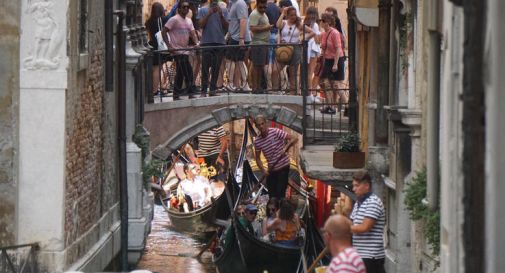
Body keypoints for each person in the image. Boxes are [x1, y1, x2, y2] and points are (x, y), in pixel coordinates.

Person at [162, 0, 200, 100]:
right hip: (177, 50)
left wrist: (196, 43)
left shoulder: (189, 21)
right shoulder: (174, 19)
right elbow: (164, 31)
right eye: (184, 7)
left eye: (187, 7)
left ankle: (178, 93)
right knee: (186, 71)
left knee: (181, 72)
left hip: (185, 50)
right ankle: (188, 92)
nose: (186, 9)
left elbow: (192, 33)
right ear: (179, 9)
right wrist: (169, 45)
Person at [253, 115, 298, 199]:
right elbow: (258, 159)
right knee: (272, 195)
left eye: (262, 123)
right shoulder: (257, 141)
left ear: (266, 123)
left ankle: (281, 209)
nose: (261, 126)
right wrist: (263, 170)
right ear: (256, 126)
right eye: (258, 125)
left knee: (280, 194)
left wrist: (285, 148)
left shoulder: (276, 132)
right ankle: (274, 210)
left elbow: (294, 138)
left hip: (283, 167)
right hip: (271, 169)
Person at [349, 171, 386, 273]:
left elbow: (365, 227)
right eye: (353, 186)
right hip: (360, 255)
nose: (353, 189)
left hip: (371, 256)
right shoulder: (358, 203)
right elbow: (351, 225)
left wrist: (343, 228)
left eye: (357, 185)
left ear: (366, 186)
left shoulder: (373, 202)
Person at [275, 6, 314, 94]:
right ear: (288, 15)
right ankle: (274, 90)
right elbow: (277, 25)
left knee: (293, 72)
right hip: (284, 49)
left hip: (295, 49)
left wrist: (304, 38)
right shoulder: (284, 23)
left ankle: (293, 92)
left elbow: (312, 32)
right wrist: (282, 13)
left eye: (295, 15)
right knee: (275, 70)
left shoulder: (299, 25)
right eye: (291, 15)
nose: (293, 17)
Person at [198, 0, 229, 97]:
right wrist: (209, 14)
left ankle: (212, 90)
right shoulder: (202, 10)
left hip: (219, 42)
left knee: (216, 68)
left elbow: (227, 26)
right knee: (205, 68)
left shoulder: (224, 10)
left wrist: (221, 15)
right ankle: (203, 91)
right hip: (207, 42)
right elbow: (200, 25)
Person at [318, 13, 344, 114]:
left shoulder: (335, 33)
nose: (320, 22)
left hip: (337, 59)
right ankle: (330, 106)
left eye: (322, 21)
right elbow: (323, 47)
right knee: (324, 83)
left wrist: (335, 64)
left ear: (327, 22)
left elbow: (338, 49)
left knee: (336, 85)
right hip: (328, 60)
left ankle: (348, 106)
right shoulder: (324, 34)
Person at [226, 0, 252, 91]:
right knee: (239, 61)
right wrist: (228, 35)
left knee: (230, 60)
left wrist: (241, 39)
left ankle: (231, 84)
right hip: (237, 36)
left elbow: (243, 20)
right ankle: (245, 85)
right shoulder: (233, 3)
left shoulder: (240, 3)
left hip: (238, 38)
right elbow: (233, 23)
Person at [145, 2, 168, 96]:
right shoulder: (162, 20)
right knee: (157, 69)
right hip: (159, 46)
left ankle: (152, 89)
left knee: (153, 68)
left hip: (151, 45)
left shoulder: (148, 21)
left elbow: (148, 34)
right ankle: (154, 90)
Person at [248, 0, 271, 93]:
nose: (263, 9)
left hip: (263, 43)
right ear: (257, 5)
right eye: (261, 7)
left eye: (265, 7)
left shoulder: (263, 14)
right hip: (258, 44)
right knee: (257, 66)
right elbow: (252, 28)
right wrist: (266, 28)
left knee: (260, 66)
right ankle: (255, 88)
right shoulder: (254, 14)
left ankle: (259, 87)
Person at [303, 6, 321, 92]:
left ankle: (304, 89)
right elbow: (317, 40)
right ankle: (309, 91)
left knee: (304, 72)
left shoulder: (304, 23)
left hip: (305, 48)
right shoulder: (316, 25)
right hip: (313, 49)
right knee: (310, 72)